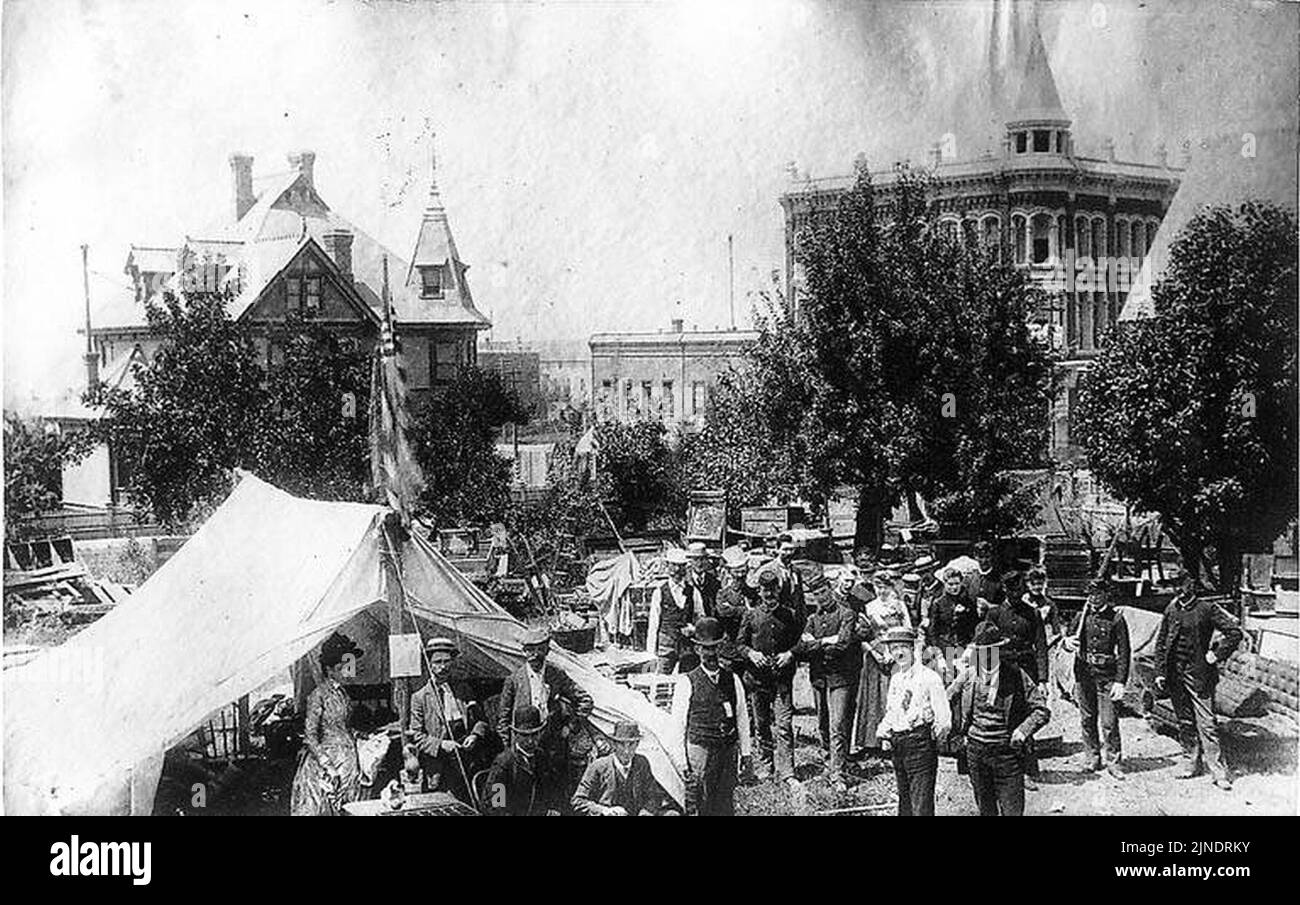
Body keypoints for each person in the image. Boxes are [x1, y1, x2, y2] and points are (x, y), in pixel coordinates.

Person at [948, 621, 1050, 816]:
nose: (986, 657)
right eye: (982, 652)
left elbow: (1041, 710)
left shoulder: (1016, 676)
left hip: (1007, 753)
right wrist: (957, 735)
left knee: (1012, 809)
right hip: (976, 752)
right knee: (986, 809)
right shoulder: (968, 675)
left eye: (991, 652)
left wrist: (1022, 730)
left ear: (1000, 651)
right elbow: (943, 701)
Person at [1153, 575, 1243, 790]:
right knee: (1185, 721)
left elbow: (1234, 632)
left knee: (1208, 724)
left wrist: (1216, 654)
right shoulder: (1171, 609)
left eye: (1182, 585)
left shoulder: (1207, 608)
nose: (1179, 590)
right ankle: (1191, 764)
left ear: (1191, 586)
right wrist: (1160, 672)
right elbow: (1161, 642)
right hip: (1175, 675)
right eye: (1175, 586)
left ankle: (1218, 772)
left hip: (1199, 675)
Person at [497, 626, 594, 796]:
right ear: (524, 651)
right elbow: (503, 719)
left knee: (551, 791)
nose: (534, 655)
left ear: (547, 650)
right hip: (523, 747)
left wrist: (570, 727)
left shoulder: (556, 675)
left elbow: (585, 700)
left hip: (551, 746)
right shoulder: (514, 680)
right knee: (522, 791)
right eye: (530, 650)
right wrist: (508, 748)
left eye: (539, 649)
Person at [670, 617, 752, 815]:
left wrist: (746, 754)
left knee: (724, 801)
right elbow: (678, 725)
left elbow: (742, 717)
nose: (710, 653)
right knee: (700, 803)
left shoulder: (732, 680)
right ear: (697, 650)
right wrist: (682, 762)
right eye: (706, 649)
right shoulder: (686, 682)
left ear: (720, 647)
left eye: (714, 648)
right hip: (700, 751)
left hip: (727, 751)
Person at [794, 570, 861, 791]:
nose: (821, 597)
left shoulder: (847, 614)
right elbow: (803, 647)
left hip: (841, 677)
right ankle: (827, 760)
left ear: (830, 590)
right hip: (819, 678)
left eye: (823, 592)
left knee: (838, 725)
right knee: (822, 723)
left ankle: (838, 773)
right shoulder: (812, 619)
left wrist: (817, 643)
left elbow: (842, 644)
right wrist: (825, 642)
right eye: (816, 594)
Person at [735, 566, 802, 787]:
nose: (769, 594)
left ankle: (787, 771)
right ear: (759, 591)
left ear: (778, 590)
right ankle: (765, 766)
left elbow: (800, 642)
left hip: (782, 679)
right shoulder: (751, 614)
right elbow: (738, 645)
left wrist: (790, 654)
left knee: (784, 725)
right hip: (757, 680)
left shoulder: (789, 615)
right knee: (762, 725)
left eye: (773, 589)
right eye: (765, 590)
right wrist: (751, 653)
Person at [407, 637, 493, 803]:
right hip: (439, 766)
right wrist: (441, 745)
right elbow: (416, 736)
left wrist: (475, 735)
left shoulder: (464, 690)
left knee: (467, 804)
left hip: (467, 762)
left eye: (447, 661)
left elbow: (481, 721)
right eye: (438, 662)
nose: (443, 666)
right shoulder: (419, 698)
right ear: (429, 665)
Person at [876, 626, 951, 816]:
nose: (899, 652)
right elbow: (892, 711)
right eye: (894, 648)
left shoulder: (929, 677)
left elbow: (943, 719)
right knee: (905, 803)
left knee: (921, 804)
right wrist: (884, 732)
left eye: (903, 647)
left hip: (920, 743)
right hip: (898, 744)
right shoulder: (896, 679)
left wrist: (929, 741)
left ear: (913, 648)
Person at [984, 572, 1049, 789]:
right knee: (1004, 718)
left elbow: (1040, 647)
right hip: (1001, 671)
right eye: (1011, 591)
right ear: (1005, 590)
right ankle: (1007, 770)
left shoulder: (1032, 614)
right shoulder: (994, 613)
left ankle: (1029, 769)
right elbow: (986, 645)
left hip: (1026, 670)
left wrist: (1042, 679)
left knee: (1027, 717)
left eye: (1018, 592)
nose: (1015, 595)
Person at [291, 631, 364, 816]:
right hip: (327, 763)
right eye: (343, 666)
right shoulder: (318, 695)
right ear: (330, 669)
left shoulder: (344, 694)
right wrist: (327, 765)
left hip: (348, 761)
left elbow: (341, 726)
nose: (348, 670)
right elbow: (310, 737)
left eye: (350, 666)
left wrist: (359, 735)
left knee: (347, 808)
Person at [1064, 579, 1131, 779]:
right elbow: (1068, 640)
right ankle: (1092, 758)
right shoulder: (1081, 616)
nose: (1094, 598)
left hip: (1107, 675)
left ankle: (1114, 761)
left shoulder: (1116, 619)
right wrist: (1068, 642)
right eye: (1090, 594)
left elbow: (1125, 652)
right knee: (1087, 718)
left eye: (1098, 594)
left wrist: (1120, 681)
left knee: (1109, 722)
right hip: (1084, 674)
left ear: (1105, 595)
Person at [853, 568, 911, 754]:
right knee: (874, 697)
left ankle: (895, 740)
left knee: (893, 695)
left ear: (890, 587)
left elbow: (909, 630)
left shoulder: (900, 606)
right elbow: (863, 635)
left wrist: (896, 653)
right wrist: (874, 652)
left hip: (897, 653)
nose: (881, 591)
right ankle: (872, 742)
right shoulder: (870, 607)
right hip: (875, 654)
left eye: (884, 587)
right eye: (878, 588)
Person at [572, 721, 675, 816]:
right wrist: (604, 810)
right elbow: (578, 801)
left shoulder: (641, 763)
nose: (627, 751)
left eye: (631, 744)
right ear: (614, 744)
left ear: (637, 744)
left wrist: (646, 811)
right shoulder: (598, 766)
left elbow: (654, 795)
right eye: (622, 744)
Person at [484, 705, 565, 815]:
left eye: (534, 734)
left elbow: (551, 791)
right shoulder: (504, 763)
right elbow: (496, 806)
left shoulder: (541, 757)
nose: (530, 741)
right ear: (516, 735)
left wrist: (552, 809)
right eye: (525, 736)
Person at [646, 547, 701, 674]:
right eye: (674, 565)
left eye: (680, 566)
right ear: (667, 566)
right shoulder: (659, 592)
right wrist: (650, 652)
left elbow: (700, 617)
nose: (677, 570)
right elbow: (653, 624)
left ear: (685, 568)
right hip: (666, 645)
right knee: (662, 680)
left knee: (688, 680)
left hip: (687, 646)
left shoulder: (693, 592)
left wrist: (693, 628)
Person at [926, 567, 979, 683]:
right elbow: (932, 632)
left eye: (957, 584)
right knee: (947, 682)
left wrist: (971, 647)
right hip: (945, 648)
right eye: (950, 584)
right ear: (944, 584)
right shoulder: (938, 603)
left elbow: (975, 626)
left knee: (967, 682)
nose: (954, 587)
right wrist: (939, 656)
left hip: (964, 648)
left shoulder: (969, 601)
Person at [1023, 567, 1061, 644]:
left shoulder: (1049, 604)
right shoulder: (1022, 601)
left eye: (1040, 584)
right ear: (1027, 584)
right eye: (1033, 584)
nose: (1037, 587)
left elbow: (1056, 629)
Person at [687, 541, 720, 617]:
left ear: (707, 560)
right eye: (695, 560)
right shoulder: (685, 581)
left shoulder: (714, 582)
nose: (699, 564)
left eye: (702, 559)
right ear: (690, 561)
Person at [971, 541, 1006, 614]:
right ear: (975, 557)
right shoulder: (970, 578)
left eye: (987, 557)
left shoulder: (1000, 580)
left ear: (992, 557)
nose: (984, 561)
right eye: (980, 557)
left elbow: (1007, 608)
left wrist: (989, 606)